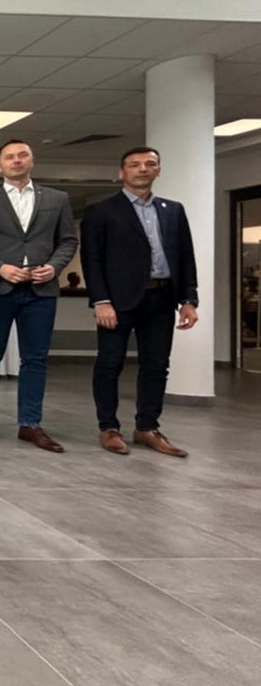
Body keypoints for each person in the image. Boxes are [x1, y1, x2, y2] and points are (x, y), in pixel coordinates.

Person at [80, 146, 198, 458]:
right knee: (110, 363)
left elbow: (185, 256)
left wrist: (189, 299)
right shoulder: (101, 211)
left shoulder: (173, 210)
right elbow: (92, 259)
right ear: (122, 172)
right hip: (117, 301)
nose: (142, 169)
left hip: (162, 297)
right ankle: (109, 427)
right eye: (134, 164)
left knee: (157, 365)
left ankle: (147, 427)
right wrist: (100, 300)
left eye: (150, 164)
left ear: (158, 170)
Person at [0, 139, 78, 453]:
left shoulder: (57, 199)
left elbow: (68, 241)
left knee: (35, 359)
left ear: (31, 160)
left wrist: (54, 267)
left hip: (41, 291)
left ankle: (30, 424)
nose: (16, 160)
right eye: (9, 157)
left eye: (22, 155)